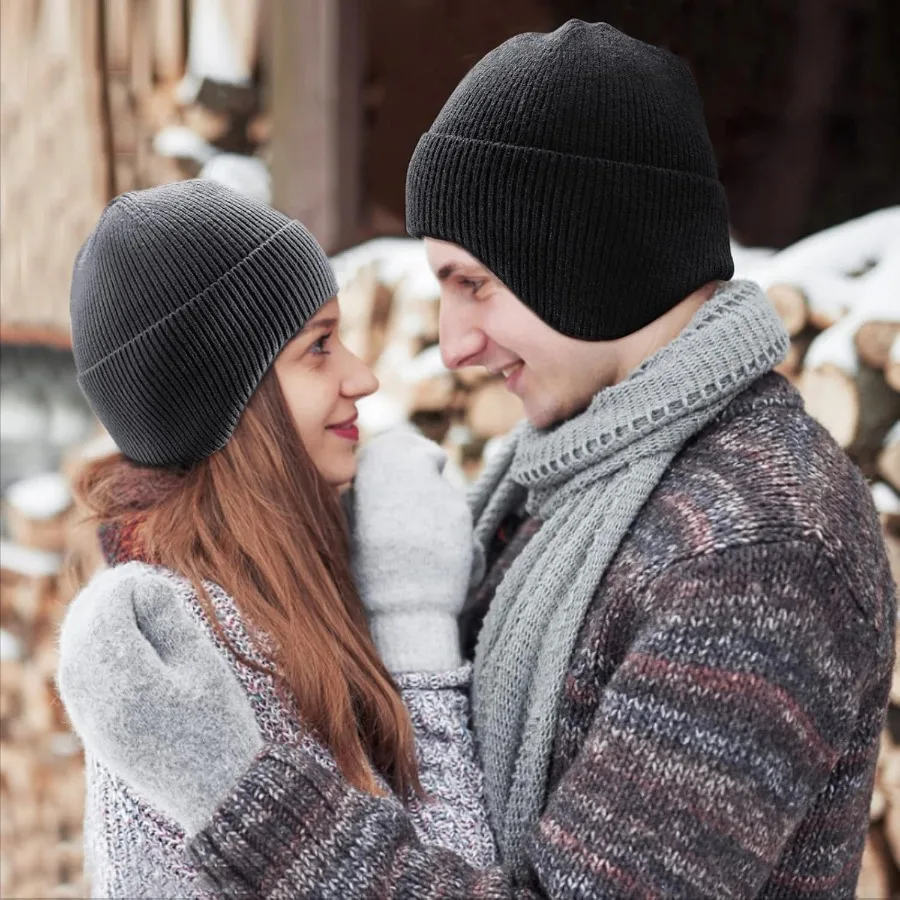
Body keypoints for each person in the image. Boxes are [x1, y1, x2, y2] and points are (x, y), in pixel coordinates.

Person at [61, 20, 895, 900]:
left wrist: (246, 800)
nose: (454, 345)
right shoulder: (569, 478)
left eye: (474, 284)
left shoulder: (754, 551)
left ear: (583, 254)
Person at [55, 178, 495, 897]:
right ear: (229, 400)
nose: (363, 376)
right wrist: (413, 614)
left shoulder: (270, 592)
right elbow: (451, 876)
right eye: (319, 346)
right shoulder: (208, 643)